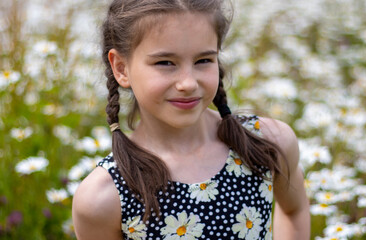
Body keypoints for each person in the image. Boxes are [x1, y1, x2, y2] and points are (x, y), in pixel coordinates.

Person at [72, 0, 310, 239]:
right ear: (122, 68)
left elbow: (294, 210)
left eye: (203, 60)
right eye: (165, 63)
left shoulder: (266, 145)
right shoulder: (104, 198)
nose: (188, 83)